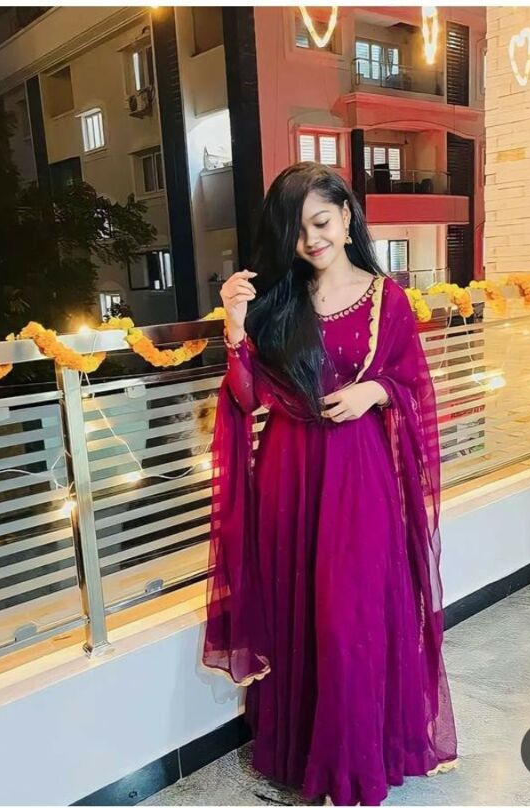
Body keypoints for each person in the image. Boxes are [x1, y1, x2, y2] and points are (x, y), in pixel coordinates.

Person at [202, 162, 458, 806]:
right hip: (290, 477)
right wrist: (235, 326)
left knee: (350, 616)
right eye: (297, 230)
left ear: (346, 217)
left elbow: (416, 386)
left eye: (320, 222)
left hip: (359, 478)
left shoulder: (386, 299)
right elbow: (248, 399)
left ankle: (355, 763)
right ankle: (304, 755)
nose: (311, 239)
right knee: (301, 613)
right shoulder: (277, 303)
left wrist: (377, 390)